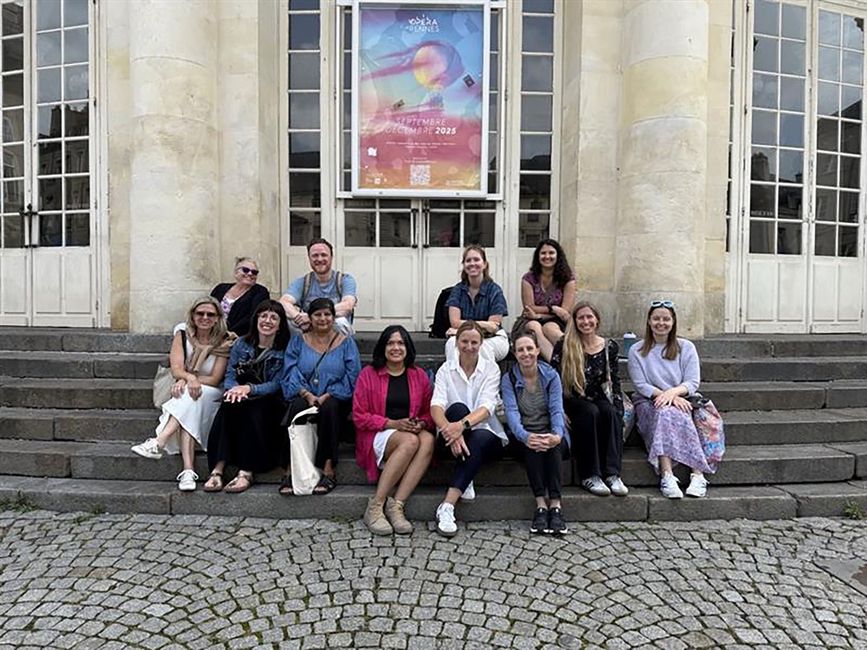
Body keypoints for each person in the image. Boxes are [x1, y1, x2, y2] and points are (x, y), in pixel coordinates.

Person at [131, 297, 231, 491]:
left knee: (191, 395)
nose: (205, 318)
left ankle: (159, 441)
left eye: (210, 314)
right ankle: (187, 471)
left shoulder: (225, 340)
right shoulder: (183, 334)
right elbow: (176, 369)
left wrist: (189, 380)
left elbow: (215, 378)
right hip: (189, 391)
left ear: (218, 318)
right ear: (192, 316)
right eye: (200, 313)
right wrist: (187, 379)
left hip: (212, 392)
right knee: (190, 400)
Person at [353, 326, 435, 535]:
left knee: (426, 439)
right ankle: (375, 506)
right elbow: (359, 416)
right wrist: (392, 423)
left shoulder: (418, 376)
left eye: (400, 343)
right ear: (383, 347)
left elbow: (428, 413)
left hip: (408, 432)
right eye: (390, 343)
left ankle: (396, 505)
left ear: (407, 347)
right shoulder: (368, 374)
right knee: (411, 441)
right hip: (376, 434)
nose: (396, 348)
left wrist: (422, 424)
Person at [203, 300, 291, 493]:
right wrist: (233, 390)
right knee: (228, 406)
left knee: (253, 409)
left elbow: (278, 383)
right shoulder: (242, 343)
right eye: (263, 316)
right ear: (256, 319)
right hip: (242, 394)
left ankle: (246, 472)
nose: (267, 321)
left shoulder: (284, 348)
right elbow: (230, 374)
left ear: (280, 324)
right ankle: (217, 470)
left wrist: (249, 389)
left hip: (270, 400)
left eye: (273, 317)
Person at [430, 320, 508, 536]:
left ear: (481, 343)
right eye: (464, 341)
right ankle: (461, 486)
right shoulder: (446, 370)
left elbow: (486, 407)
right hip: (450, 438)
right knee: (456, 408)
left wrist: (460, 427)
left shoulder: (491, 369)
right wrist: (451, 430)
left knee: (479, 436)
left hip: (487, 437)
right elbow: (436, 406)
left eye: (474, 342)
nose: (469, 346)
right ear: (457, 343)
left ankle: (447, 505)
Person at [627, 300, 709, 499]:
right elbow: (640, 385)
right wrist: (664, 397)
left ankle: (697, 475)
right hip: (649, 401)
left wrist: (672, 395)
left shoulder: (686, 347)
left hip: (681, 397)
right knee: (664, 411)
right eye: (656, 318)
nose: (660, 323)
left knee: (676, 410)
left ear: (673, 322)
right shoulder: (637, 350)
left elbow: (692, 381)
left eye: (666, 319)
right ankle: (667, 475)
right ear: (648, 321)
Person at [280, 297, 361, 494]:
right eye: (317, 314)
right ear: (310, 317)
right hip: (303, 393)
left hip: (335, 397)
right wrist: (306, 394)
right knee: (296, 408)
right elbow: (289, 371)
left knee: (330, 408)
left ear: (333, 317)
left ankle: (328, 469)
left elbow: (353, 376)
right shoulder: (298, 341)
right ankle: (291, 471)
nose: (323, 318)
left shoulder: (346, 343)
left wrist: (329, 393)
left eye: (327, 314)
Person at [551, 302, 628, 497]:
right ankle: (590, 474)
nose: (586, 322)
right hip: (572, 398)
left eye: (589, 317)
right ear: (575, 322)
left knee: (610, 412)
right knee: (589, 412)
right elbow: (553, 380)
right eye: (581, 318)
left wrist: (619, 410)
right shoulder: (565, 344)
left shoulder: (608, 346)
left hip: (598, 396)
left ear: (597, 320)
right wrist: (559, 410)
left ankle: (612, 473)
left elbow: (615, 381)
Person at [501, 330, 570, 535]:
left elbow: (557, 410)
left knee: (553, 447)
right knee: (532, 447)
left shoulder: (551, 376)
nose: (526, 353)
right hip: (523, 435)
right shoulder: (509, 379)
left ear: (538, 350)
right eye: (520, 350)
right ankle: (541, 504)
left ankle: (555, 506)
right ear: (515, 353)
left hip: (552, 432)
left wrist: (556, 435)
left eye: (529, 348)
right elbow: (512, 413)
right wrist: (526, 436)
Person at [279, 238, 358, 337]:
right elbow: (283, 302)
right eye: (315, 256)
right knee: (289, 322)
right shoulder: (302, 282)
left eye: (324, 255)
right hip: (310, 330)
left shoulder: (345, 280)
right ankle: (297, 350)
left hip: (335, 332)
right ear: (309, 258)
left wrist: (312, 316)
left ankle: (342, 351)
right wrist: (297, 316)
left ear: (331, 257)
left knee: (341, 322)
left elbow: (347, 306)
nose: (319, 259)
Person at [444, 245, 509, 362]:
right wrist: (485, 324)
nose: (472, 263)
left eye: (476, 259)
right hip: (465, 337)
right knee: (451, 344)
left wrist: (462, 328)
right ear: (464, 265)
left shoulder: (495, 290)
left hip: (493, 339)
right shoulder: (457, 290)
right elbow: (454, 322)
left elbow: (493, 327)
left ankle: (487, 380)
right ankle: (454, 379)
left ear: (484, 264)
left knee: (481, 348)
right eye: (468, 260)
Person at [516, 239, 577, 361]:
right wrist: (553, 308)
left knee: (550, 328)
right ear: (538, 256)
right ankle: (556, 365)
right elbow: (529, 307)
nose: (547, 256)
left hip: (557, 321)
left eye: (551, 253)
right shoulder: (528, 279)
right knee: (535, 327)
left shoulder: (568, 279)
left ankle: (575, 358)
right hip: (530, 320)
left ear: (558, 255)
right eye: (543, 253)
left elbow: (564, 312)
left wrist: (539, 315)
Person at [210, 256, 271, 336]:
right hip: (212, 333)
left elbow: (253, 317)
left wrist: (228, 334)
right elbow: (208, 308)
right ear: (236, 273)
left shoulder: (260, 292)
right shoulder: (220, 288)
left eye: (254, 272)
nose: (250, 274)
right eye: (245, 270)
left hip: (238, 337)